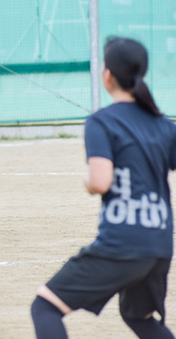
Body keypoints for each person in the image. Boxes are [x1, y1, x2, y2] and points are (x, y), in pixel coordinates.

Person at [31, 37, 176, 339]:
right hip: (160, 243)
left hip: (123, 241)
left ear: (107, 75)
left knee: (44, 308)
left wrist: (87, 180)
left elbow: (100, 181)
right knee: (140, 318)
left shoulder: (102, 121)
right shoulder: (164, 125)